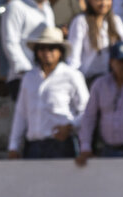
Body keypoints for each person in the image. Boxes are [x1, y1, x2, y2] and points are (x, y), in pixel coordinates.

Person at [8, 26, 88, 158]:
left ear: (60, 51)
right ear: (37, 51)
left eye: (52, 48)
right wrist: (13, 146)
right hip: (34, 145)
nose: (47, 52)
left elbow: (86, 110)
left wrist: (70, 126)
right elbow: (21, 114)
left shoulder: (72, 76)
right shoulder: (29, 78)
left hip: (61, 144)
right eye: (42, 48)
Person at [76, 41, 123, 164]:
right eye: (121, 61)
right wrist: (85, 146)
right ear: (111, 62)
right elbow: (89, 116)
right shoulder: (100, 84)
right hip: (108, 150)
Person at [2, 0, 57, 96]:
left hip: (46, 75)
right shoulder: (15, 7)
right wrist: (26, 71)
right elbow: (10, 42)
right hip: (21, 77)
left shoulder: (47, 8)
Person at [67, 0, 123, 80]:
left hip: (111, 79)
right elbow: (73, 57)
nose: (104, 3)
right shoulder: (81, 21)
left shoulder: (116, 21)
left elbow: (122, 50)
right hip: (87, 78)